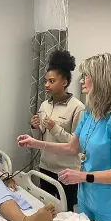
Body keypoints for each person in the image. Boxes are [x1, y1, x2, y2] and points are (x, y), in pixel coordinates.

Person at [17, 53, 111, 221]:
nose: (82, 80)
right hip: (87, 198)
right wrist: (35, 142)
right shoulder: (90, 114)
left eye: (87, 75)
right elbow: (71, 148)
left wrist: (84, 176)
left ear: (103, 79)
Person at [30, 50, 85, 212]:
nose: (46, 85)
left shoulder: (78, 108)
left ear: (65, 82)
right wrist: (35, 128)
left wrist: (55, 128)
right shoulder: (44, 105)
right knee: (48, 210)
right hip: (46, 166)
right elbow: (39, 138)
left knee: (66, 212)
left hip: (66, 170)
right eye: (46, 81)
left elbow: (77, 146)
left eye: (51, 81)